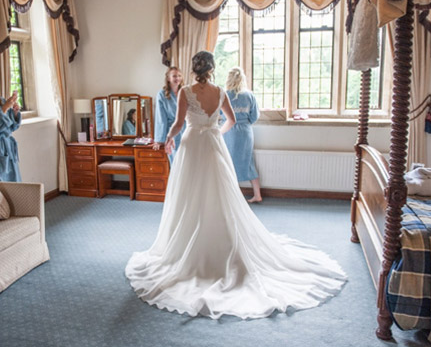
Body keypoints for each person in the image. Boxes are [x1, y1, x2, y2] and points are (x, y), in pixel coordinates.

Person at [125, 51, 347, 320]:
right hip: (213, 145)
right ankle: (224, 241)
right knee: (219, 193)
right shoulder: (220, 92)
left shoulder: (185, 91)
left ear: (193, 70)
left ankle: (190, 244)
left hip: (192, 145)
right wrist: (216, 131)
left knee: (189, 194)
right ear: (213, 68)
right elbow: (231, 120)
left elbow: (178, 123)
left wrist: (168, 139)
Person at [222, 67, 262, 203]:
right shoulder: (249, 95)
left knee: (229, 162)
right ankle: (257, 194)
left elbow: (221, 115)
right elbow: (255, 115)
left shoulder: (225, 95)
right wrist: (245, 122)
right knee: (248, 162)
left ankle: (234, 197)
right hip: (245, 132)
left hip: (229, 130)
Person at [152, 67, 185, 163]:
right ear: (168, 78)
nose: (177, 78)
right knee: (176, 162)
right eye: (174, 76)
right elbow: (161, 118)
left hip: (187, 130)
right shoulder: (162, 94)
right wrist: (159, 140)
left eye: (179, 76)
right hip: (173, 132)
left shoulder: (185, 92)